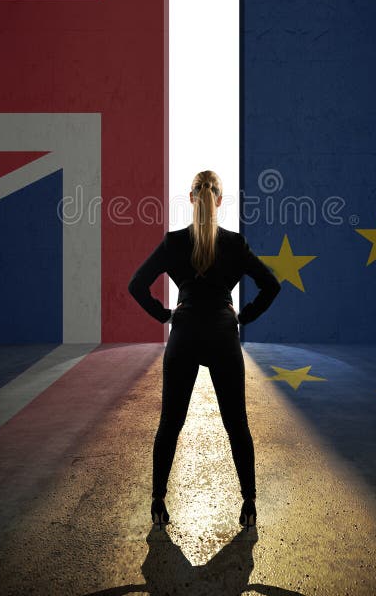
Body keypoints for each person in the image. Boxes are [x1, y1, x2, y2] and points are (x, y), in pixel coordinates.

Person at [128, 170, 282, 531]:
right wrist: (243, 316)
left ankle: (157, 501)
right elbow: (271, 285)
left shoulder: (172, 243)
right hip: (223, 336)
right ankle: (249, 504)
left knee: (170, 424)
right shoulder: (235, 244)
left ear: (192, 198)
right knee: (236, 425)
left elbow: (136, 285)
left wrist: (164, 315)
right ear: (219, 201)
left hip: (183, 336)